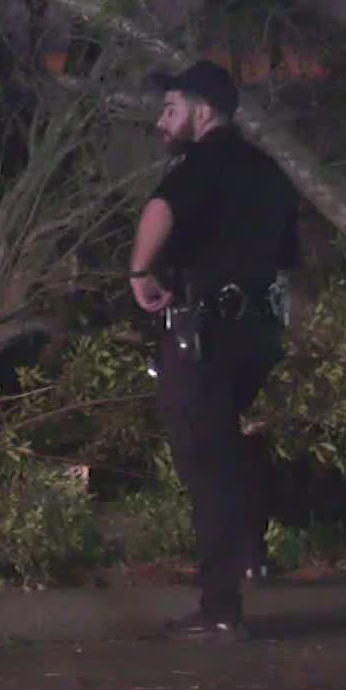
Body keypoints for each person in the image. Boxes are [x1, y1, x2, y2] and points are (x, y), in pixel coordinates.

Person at [128, 60, 300, 642]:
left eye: (171, 109)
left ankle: (220, 606)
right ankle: (253, 551)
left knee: (203, 461)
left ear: (204, 113)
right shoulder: (269, 171)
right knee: (226, 446)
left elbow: (160, 210)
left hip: (204, 332)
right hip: (256, 334)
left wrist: (139, 271)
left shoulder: (204, 161)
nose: (162, 120)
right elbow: (288, 258)